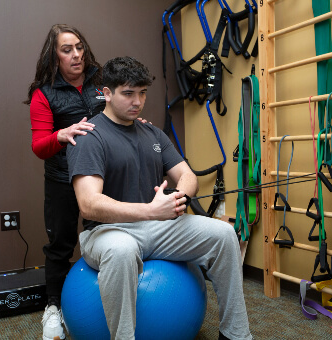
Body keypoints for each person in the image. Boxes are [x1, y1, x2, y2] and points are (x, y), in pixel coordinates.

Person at [67, 56, 253, 340]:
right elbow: (89, 204)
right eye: (128, 93)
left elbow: (188, 176)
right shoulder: (91, 137)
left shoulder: (152, 132)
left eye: (142, 93)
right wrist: (151, 211)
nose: (138, 101)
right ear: (107, 93)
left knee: (225, 235)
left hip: (156, 227)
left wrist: (178, 198)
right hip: (106, 232)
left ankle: (235, 334)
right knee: (121, 250)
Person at [24, 24, 106, 340]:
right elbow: (39, 146)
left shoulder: (101, 82)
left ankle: (105, 303)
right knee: (60, 247)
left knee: (107, 236)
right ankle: (53, 310)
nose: (76, 55)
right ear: (54, 56)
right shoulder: (44, 94)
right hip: (62, 179)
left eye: (79, 47)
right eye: (67, 49)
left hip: (102, 177)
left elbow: (118, 120)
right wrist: (61, 134)